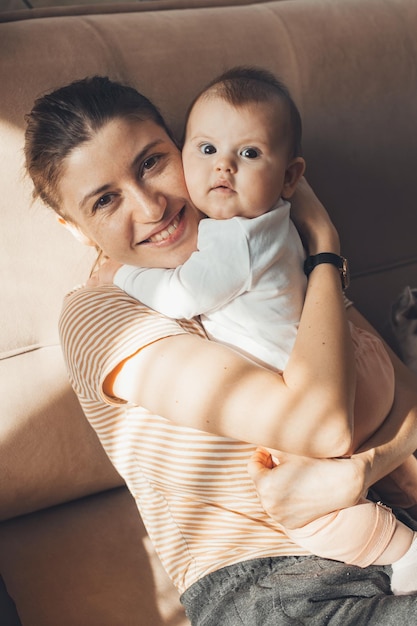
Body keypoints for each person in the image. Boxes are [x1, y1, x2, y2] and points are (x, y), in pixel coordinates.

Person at [24, 74, 417, 624]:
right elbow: (324, 428)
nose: (151, 205)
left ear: (183, 147)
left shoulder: (256, 238)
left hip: (395, 528)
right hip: (277, 586)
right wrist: (325, 247)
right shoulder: (99, 316)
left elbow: (400, 393)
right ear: (78, 230)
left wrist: (375, 463)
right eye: (106, 200)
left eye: (151, 163)